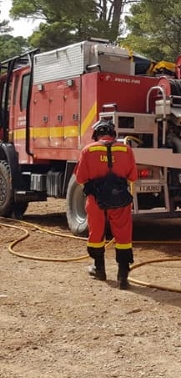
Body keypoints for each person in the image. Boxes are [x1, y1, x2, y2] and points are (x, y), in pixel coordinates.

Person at [75, 120, 137, 289]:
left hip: (96, 200)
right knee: (123, 236)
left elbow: (80, 178)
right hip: (120, 200)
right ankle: (123, 276)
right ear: (113, 134)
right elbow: (133, 177)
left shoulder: (88, 150)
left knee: (96, 234)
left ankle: (99, 269)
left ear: (96, 135)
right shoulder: (126, 149)